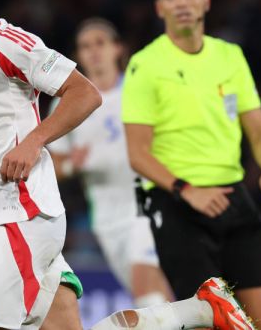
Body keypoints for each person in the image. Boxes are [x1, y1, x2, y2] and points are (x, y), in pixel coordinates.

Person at [0, 0, 255, 329]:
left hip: (21, 214)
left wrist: (34, 140)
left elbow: (84, 93)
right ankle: (200, 309)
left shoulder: (5, 41)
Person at [122, 0, 261, 330]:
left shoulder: (230, 56)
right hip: (177, 204)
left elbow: (258, 128)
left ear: (206, 0)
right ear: (159, 8)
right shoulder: (145, 65)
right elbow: (138, 153)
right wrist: (187, 190)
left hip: (233, 200)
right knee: (207, 322)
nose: (180, 1)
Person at [47, 18, 173, 308]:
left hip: (148, 200)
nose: (93, 52)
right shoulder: (68, 104)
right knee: (157, 300)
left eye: (100, 43)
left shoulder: (142, 92)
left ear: (118, 49)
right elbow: (47, 163)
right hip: (106, 215)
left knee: (146, 286)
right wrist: (70, 166)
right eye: (85, 46)